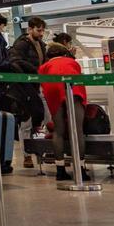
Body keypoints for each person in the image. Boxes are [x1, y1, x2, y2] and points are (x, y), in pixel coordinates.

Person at [39, 41, 91, 182]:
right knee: (77, 130)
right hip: (73, 90)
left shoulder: (44, 66)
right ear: (65, 53)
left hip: (53, 90)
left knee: (58, 131)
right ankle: (80, 169)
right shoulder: (72, 62)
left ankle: (60, 170)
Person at [6, 16, 50, 167]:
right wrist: (34, 71)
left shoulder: (41, 45)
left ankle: (39, 149)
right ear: (30, 29)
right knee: (27, 122)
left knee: (42, 118)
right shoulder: (21, 45)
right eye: (39, 30)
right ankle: (27, 155)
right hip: (25, 87)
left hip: (38, 85)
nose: (41, 33)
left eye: (43, 30)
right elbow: (16, 61)